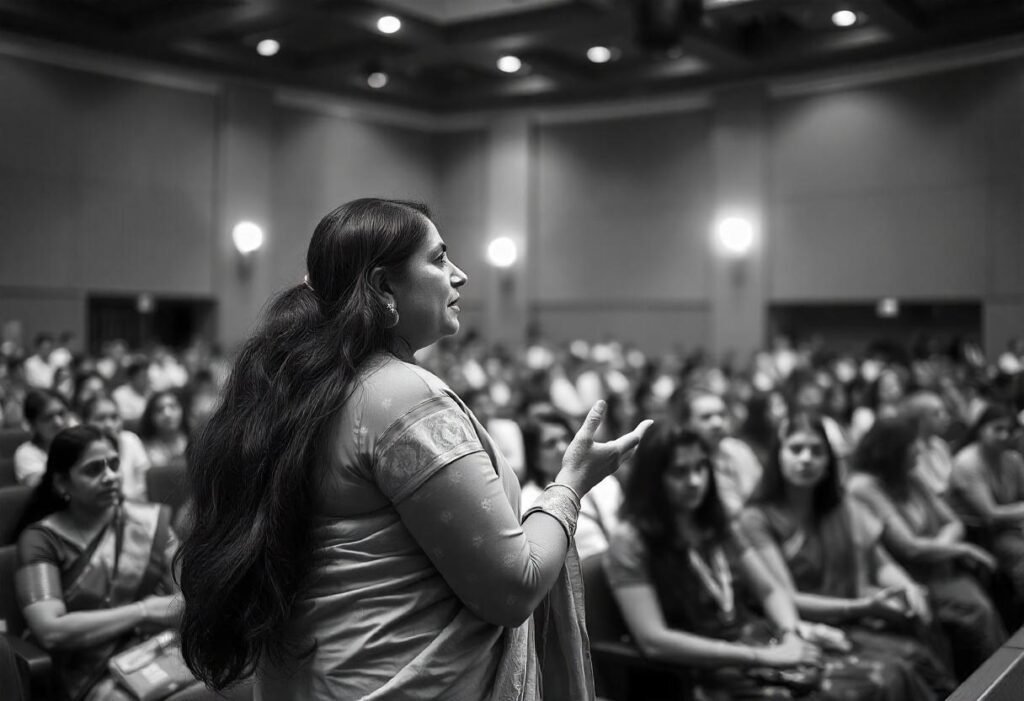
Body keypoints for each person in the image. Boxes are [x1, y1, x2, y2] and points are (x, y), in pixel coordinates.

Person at [177, 198, 651, 700]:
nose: (460, 275)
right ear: (384, 286)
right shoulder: (404, 397)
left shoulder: (309, 388)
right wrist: (570, 486)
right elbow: (514, 587)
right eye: (440, 259)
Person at [606, 422, 916, 700]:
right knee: (855, 689)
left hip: (754, 639)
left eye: (701, 468)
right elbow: (653, 640)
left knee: (891, 672)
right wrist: (762, 657)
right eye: (680, 472)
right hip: (698, 669)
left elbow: (769, 590)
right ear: (652, 479)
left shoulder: (715, 522)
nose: (695, 481)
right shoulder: (630, 541)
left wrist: (791, 634)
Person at [12, 425, 245, 701]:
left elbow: (186, 599)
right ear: (62, 483)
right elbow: (51, 630)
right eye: (93, 469)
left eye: (114, 464)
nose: (110, 476)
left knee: (239, 677)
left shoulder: (148, 522)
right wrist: (144, 611)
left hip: (162, 649)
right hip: (88, 670)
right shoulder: (41, 539)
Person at [739, 412, 956, 699]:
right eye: (796, 449)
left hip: (856, 613)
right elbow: (786, 597)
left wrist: (907, 586)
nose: (806, 459)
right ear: (778, 455)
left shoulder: (840, 506)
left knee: (923, 639)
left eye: (817, 451)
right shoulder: (757, 519)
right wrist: (862, 606)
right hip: (813, 626)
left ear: (829, 461)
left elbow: (878, 561)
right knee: (895, 672)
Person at [847, 417, 1005, 680]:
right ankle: (989, 686)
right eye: (913, 445)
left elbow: (953, 521)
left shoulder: (910, 476)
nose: (920, 451)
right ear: (893, 450)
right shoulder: (864, 487)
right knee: (978, 610)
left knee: (984, 599)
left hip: (939, 568)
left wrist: (940, 547)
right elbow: (907, 547)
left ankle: (1002, 682)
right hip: (910, 577)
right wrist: (961, 550)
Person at [948, 403, 1024, 622]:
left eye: (1008, 430)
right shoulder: (967, 462)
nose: (1003, 435)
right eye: (997, 429)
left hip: (1008, 529)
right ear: (980, 429)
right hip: (979, 535)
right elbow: (990, 513)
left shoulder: (1013, 459)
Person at [679, 389, 763, 517]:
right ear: (687, 423)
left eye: (722, 415)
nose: (717, 423)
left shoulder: (739, 449)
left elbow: (763, 493)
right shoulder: (683, 460)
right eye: (706, 417)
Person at [82, 395, 152, 502]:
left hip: (135, 505)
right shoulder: (81, 449)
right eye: (100, 418)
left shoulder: (130, 440)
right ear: (85, 422)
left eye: (114, 418)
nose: (109, 424)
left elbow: (144, 486)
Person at [900, 391, 955, 497]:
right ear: (919, 420)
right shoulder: (909, 451)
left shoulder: (941, 444)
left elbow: (950, 482)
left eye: (944, 411)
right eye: (936, 413)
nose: (946, 417)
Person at [14, 390, 71, 487]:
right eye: (48, 418)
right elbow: (39, 488)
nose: (59, 422)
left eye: (62, 414)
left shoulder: (83, 442)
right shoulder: (26, 453)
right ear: (33, 425)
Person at [138, 391, 189, 468]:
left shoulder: (195, 441)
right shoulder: (143, 450)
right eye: (159, 410)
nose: (167, 414)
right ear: (151, 417)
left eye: (173, 406)